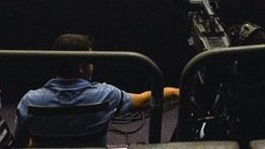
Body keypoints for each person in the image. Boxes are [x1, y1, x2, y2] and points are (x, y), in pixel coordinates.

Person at [14, 33, 178, 147]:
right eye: (91, 61)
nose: (93, 66)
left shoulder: (29, 102)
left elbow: (19, 144)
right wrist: (176, 92)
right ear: (81, 68)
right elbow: (143, 100)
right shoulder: (105, 96)